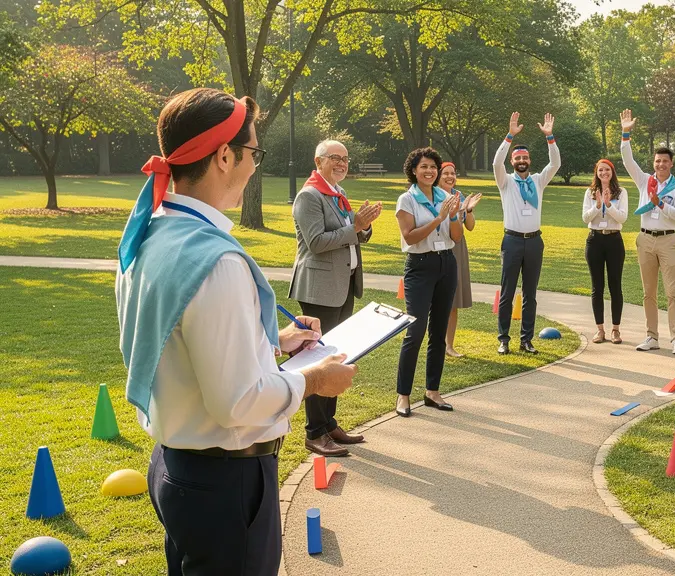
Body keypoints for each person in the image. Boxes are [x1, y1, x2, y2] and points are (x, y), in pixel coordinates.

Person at [115, 87, 356, 574]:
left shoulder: (150, 233)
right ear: (225, 156)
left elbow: (178, 339)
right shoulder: (216, 260)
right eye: (253, 153)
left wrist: (272, 340)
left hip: (177, 465)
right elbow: (237, 402)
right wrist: (314, 380)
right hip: (226, 481)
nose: (253, 166)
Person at [289, 139, 383, 456]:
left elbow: (352, 232)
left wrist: (363, 227)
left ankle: (329, 424)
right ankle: (314, 432)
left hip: (343, 285)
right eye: (335, 158)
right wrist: (356, 226)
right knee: (320, 361)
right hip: (320, 289)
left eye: (345, 158)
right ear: (318, 162)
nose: (342, 163)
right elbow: (316, 242)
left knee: (338, 357)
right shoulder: (309, 196)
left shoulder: (337, 192)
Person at [394, 147, 463, 416]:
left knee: (438, 330)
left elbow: (456, 237)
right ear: (413, 170)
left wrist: (454, 215)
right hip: (420, 265)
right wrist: (439, 218)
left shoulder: (446, 196)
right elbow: (410, 236)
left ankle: (432, 392)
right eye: (424, 166)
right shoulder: (407, 199)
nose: (429, 171)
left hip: (446, 263)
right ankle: (403, 395)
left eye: (433, 167)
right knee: (415, 330)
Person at [619, 109, 675, 355]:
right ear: (654, 163)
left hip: (668, 240)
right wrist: (625, 133)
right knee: (648, 292)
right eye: (657, 161)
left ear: (671, 164)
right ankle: (651, 336)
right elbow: (627, 160)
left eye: (665, 161)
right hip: (645, 238)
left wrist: (660, 204)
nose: (660, 165)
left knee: (672, 292)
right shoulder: (644, 181)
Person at [493, 112, 560, 355]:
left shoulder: (538, 181)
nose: (522, 161)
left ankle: (526, 339)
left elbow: (555, 164)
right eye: (518, 158)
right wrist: (509, 136)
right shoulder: (506, 182)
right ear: (512, 161)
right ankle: (504, 339)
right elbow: (496, 163)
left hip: (534, 242)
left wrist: (550, 137)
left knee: (530, 294)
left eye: (525, 157)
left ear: (530, 160)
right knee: (507, 293)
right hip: (511, 241)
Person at [438, 161, 483, 357]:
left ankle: (449, 346)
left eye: (453, 173)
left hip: (457, 248)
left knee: (453, 300)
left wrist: (468, 210)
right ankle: (436, 344)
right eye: (446, 173)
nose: (450, 177)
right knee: (436, 300)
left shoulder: (459, 196)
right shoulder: (433, 195)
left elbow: (470, 227)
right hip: (439, 245)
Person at [582, 158, 628, 344]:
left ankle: (615, 329)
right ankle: (600, 329)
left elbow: (622, 218)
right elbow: (586, 218)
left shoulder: (621, 192)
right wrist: (597, 205)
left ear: (612, 172)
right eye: (600, 170)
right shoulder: (590, 192)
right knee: (597, 287)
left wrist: (608, 205)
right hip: (595, 240)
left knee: (615, 286)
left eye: (607, 170)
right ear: (596, 172)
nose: (604, 173)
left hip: (614, 240)